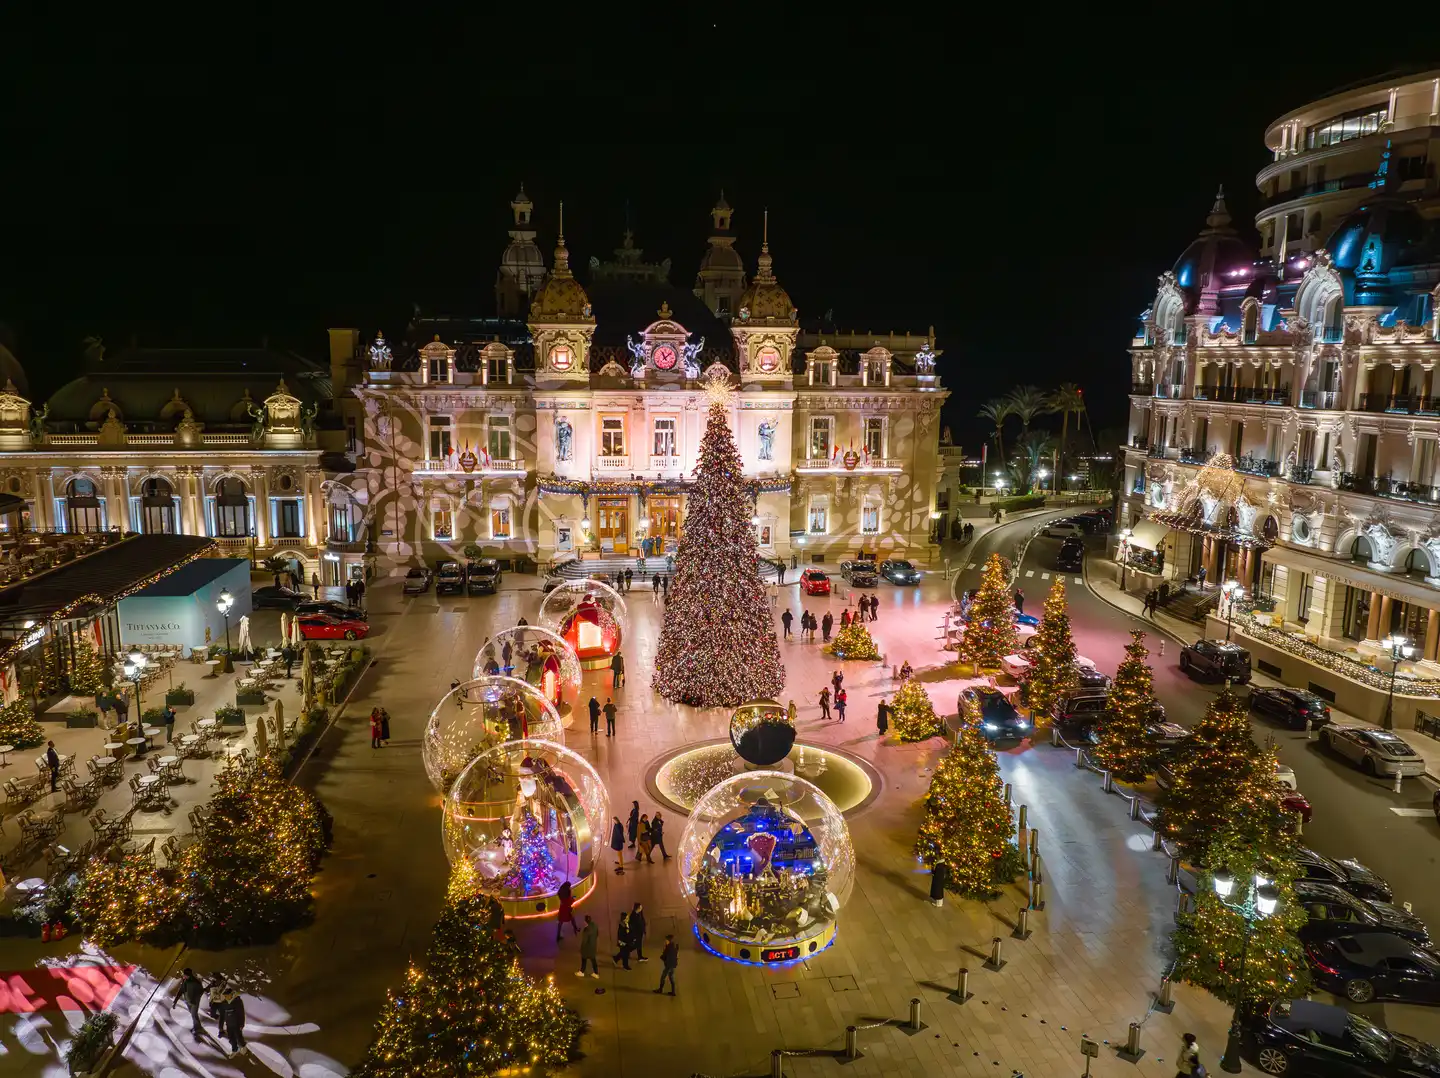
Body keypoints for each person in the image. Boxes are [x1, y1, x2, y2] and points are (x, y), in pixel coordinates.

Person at [171, 967, 205, 1037]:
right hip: (188, 1001)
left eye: (184, 975)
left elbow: (201, 991)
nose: (183, 976)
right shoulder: (185, 981)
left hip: (194, 1002)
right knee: (193, 1015)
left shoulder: (196, 982)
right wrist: (175, 1002)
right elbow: (181, 991)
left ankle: (198, 1029)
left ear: (188, 975)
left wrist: (195, 999)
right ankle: (198, 1027)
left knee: (194, 1014)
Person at [222, 990, 246, 1055]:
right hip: (229, 1024)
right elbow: (225, 1013)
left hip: (237, 1024)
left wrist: (241, 1024)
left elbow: (241, 1013)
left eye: (227, 996)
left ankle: (243, 1046)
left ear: (231, 994)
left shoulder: (237, 1001)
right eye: (225, 996)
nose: (226, 997)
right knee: (231, 1038)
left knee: (239, 1037)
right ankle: (235, 1049)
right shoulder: (225, 1002)